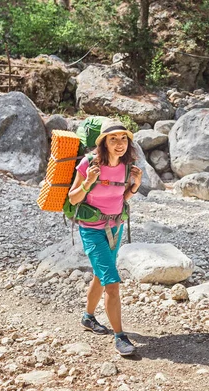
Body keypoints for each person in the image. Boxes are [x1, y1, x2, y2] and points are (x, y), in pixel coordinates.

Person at [68, 118, 142, 356]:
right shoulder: (88, 164)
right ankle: (120, 336)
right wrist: (88, 182)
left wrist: (135, 186)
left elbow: (120, 199)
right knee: (112, 282)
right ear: (104, 143)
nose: (119, 143)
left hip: (116, 228)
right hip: (92, 230)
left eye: (123, 139)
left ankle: (88, 318)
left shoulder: (127, 167)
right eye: (113, 139)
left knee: (101, 276)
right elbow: (73, 199)